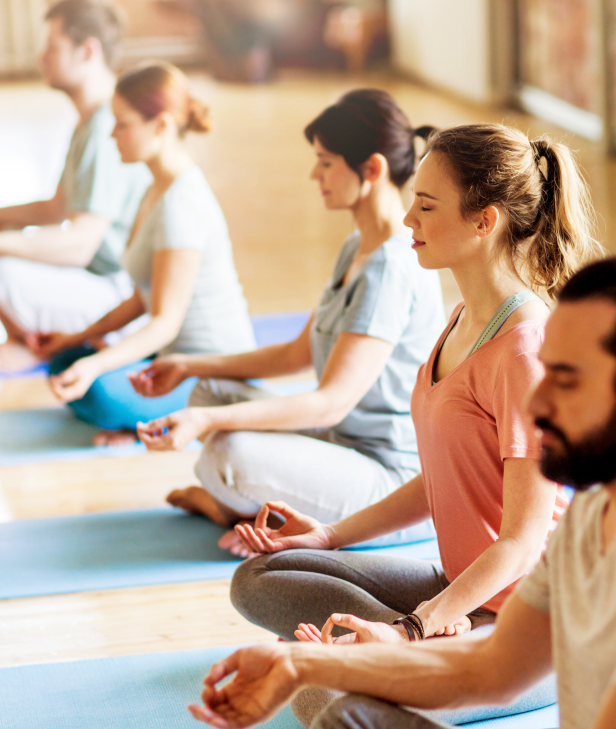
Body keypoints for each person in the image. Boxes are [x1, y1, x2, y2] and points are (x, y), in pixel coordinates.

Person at [189, 255, 616, 729]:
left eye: (565, 382)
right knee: (345, 723)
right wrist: (298, 663)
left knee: (341, 716)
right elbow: (492, 666)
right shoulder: (596, 516)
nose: (537, 405)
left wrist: (392, 638)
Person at [226, 123, 604, 727]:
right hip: (461, 589)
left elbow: (523, 542)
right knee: (260, 577)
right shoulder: (461, 317)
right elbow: (441, 478)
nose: (407, 221)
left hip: (532, 628)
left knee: (328, 706)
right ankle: (373, 649)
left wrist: (409, 628)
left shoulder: (524, 352)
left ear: (485, 221)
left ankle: (377, 655)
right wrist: (328, 535)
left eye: (426, 207)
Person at [128, 89, 443, 553]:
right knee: (208, 392)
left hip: (387, 479)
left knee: (230, 452)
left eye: (326, 162)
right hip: (339, 445)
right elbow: (296, 354)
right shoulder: (356, 248)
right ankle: (247, 506)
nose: (314, 174)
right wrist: (190, 365)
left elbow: (330, 402)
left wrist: (207, 420)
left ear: (371, 170)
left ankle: (242, 506)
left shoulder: (389, 269)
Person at [0, 0, 152, 372]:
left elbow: (79, 244)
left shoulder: (107, 124)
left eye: (52, 47)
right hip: (103, 278)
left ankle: (38, 348)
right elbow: (54, 209)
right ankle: (33, 341)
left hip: (124, 296)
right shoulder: (92, 120)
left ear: (87, 51)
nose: (42, 57)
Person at [32, 62, 255, 445]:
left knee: (95, 389)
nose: (112, 135)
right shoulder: (154, 189)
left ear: (162, 126)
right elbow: (142, 297)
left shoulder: (180, 205)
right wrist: (76, 339)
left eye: (122, 124)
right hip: (168, 362)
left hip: (211, 375)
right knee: (65, 364)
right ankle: (136, 415)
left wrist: (98, 364)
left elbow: (165, 322)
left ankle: (150, 422)